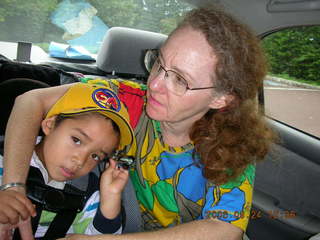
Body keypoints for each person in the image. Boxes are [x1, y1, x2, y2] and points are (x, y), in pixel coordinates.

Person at [1, 6, 276, 240]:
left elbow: (225, 228)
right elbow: (31, 101)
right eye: (159, 63)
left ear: (220, 99)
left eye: (180, 80)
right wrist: (13, 187)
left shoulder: (230, 145)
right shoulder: (131, 102)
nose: (154, 85)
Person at [0, 82, 134, 239]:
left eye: (95, 156)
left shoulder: (88, 193)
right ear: (50, 124)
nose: (80, 161)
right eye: (76, 140)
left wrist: (110, 199)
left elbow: (101, 237)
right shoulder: (6, 162)